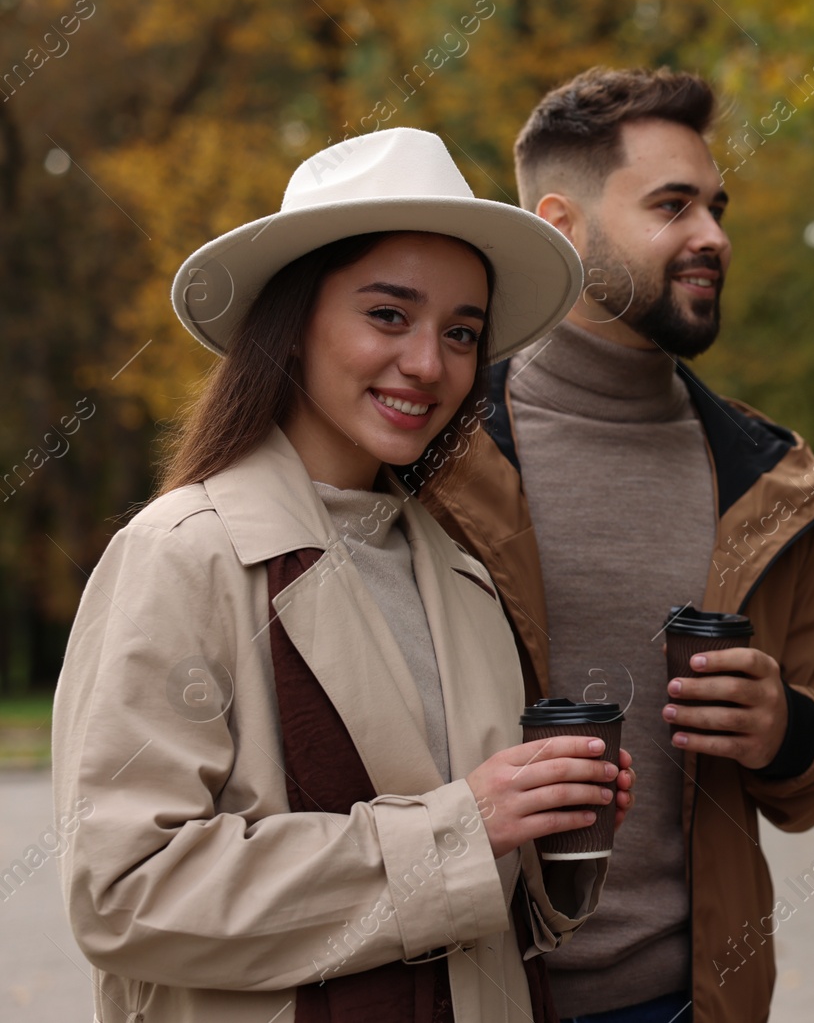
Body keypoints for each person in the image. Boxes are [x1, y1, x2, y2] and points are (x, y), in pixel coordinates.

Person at [52, 127, 635, 1023]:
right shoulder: (182, 554)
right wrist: (460, 829)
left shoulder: (462, 575)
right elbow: (123, 888)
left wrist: (553, 834)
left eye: (462, 332)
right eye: (388, 315)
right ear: (292, 326)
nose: (428, 363)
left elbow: (485, 905)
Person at [417, 67, 814, 1023]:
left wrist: (783, 726)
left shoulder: (776, 481)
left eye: (717, 206)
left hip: (682, 1002)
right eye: (673, 206)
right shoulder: (425, 453)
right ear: (562, 223)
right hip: (461, 994)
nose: (714, 236)